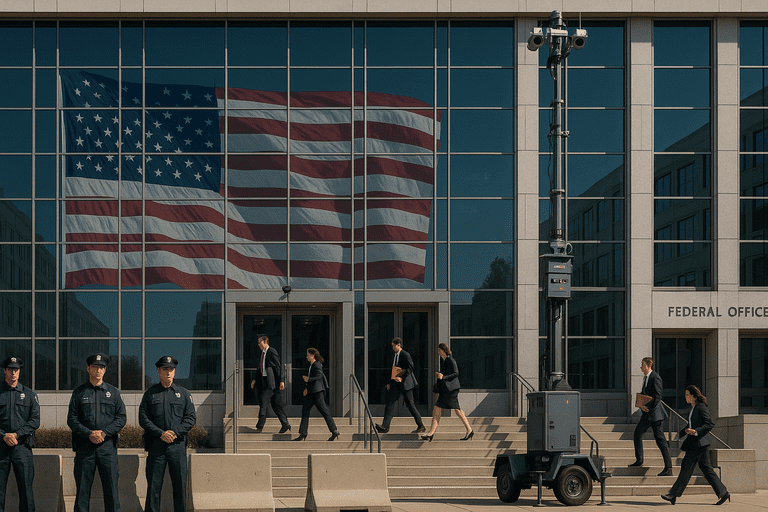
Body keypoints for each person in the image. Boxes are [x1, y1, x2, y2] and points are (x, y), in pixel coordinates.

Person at [67, 353, 127, 512]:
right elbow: (72, 419)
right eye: (95, 366)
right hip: (84, 448)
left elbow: (121, 418)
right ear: (88, 368)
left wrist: (104, 433)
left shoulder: (113, 393)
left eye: (101, 367)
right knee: (82, 492)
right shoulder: (79, 392)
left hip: (107, 448)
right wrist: (89, 433)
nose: (98, 370)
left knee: (112, 491)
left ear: (105, 370)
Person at [139, 356, 196, 512]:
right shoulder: (150, 394)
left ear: (174, 371)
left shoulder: (184, 394)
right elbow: (143, 418)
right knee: (153, 488)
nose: (169, 372)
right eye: (165, 369)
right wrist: (160, 433)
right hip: (156, 447)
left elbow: (191, 418)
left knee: (180, 487)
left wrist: (175, 432)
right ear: (158, 371)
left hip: (177, 448)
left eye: (171, 369)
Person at [661, 385, 730, 506]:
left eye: (687, 394)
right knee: (707, 470)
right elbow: (690, 424)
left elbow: (709, 424)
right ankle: (723, 493)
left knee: (686, 467)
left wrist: (696, 431)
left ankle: (672, 494)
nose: (685, 397)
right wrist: (679, 435)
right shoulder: (693, 408)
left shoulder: (701, 407)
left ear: (693, 396)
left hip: (698, 444)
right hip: (697, 444)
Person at [0, 357, 39, 512]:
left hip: (22, 448)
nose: (13, 373)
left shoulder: (29, 394)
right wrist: (3, 435)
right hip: (0, 448)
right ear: (4, 371)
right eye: (10, 369)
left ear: (19, 372)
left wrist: (16, 435)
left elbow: (35, 421)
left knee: (26, 491)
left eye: (16, 370)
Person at [629, 356, 672, 476]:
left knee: (660, 440)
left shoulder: (655, 377)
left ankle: (668, 468)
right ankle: (639, 460)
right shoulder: (646, 378)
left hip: (654, 414)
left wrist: (648, 407)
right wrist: (641, 404)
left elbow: (658, 396)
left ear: (648, 366)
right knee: (638, 433)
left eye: (642, 365)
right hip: (647, 413)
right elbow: (645, 394)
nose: (641, 367)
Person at [421, 343, 473, 442]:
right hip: (447, 390)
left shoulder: (450, 359)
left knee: (437, 408)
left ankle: (431, 433)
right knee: (457, 411)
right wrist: (440, 374)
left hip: (451, 390)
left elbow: (456, 373)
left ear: (443, 350)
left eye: (438, 350)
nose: (437, 352)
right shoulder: (443, 360)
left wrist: (443, 377)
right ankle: (469, 430)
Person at [375, 337, 426, 434]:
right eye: (392, 346)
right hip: (395, 384)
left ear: (399, 345)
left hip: (405, 385)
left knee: (410, 405)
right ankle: (385, 427)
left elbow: (410, 368)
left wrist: (401, 378)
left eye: (394, 346)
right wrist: (389, 383)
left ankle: (421, 426)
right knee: (389, 404)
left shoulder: (405, 355)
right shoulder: (394, 355)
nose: (393, 348)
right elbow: (393, 370)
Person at [293, 348, 340, 442]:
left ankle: (334, 431)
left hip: (317, 393)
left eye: (307, 354)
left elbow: (319, 376)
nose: (306, 356)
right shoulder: (311, 365)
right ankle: (303, 433)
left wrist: (308, 379)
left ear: (312, 355)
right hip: (311, 392)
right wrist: (307, 388)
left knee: (324, 411)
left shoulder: (317, 364)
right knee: (305, 411)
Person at [250, 335, 291, 434]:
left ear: (265, 341)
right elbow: (259, 368)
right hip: (264, 382)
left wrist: (281, 380)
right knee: (275, 406)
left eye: (259, 342)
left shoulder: (271, 351)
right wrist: (255, 379)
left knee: (263, 404)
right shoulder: (262, 354)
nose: (258, 344)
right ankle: (285, 424)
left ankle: (259, 426)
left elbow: (278, 366)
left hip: (271, 384)